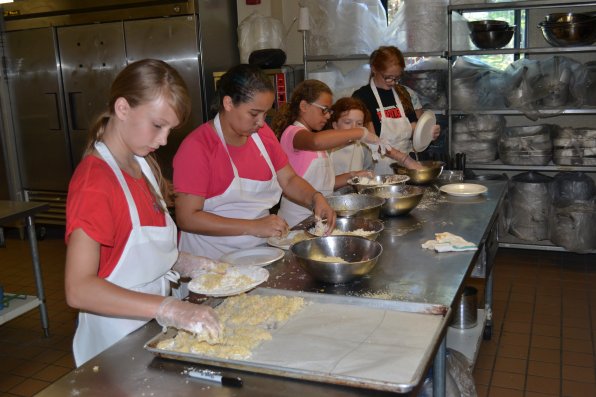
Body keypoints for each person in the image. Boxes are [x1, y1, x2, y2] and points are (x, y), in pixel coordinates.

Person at [65, 59, 222, 367]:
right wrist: (170, 308)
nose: (163, 140)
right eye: (157, 125)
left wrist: (189, 262)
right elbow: (78, 288)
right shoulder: (95, 183)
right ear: (122, 109)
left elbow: (136, 251)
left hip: (148, 331)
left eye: (170, 129)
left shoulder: (143, 165)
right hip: (114, 345)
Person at [173, 65, 336, 259]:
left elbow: (289, 179)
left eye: (265, 113)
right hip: (210, 263)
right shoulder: (197, 147)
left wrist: (315, 198)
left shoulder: (262, 135)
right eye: (254, 114)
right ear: (228, 103)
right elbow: (187, 217)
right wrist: (253, 226)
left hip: (258, 253)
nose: (261, 122)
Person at [271, 80, 380, 228]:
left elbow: (325, 185)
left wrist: (352, 175)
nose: (328, 116)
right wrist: (361, 132)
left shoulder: (314, 140)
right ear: (304, 106)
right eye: (324, 109)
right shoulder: (293, 134)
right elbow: (316, 142)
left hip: (317, 218)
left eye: (329, 111)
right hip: (296, 222)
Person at [352, 45, 440, 174]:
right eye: (388, 77)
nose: (392, 82)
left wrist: (428, 133)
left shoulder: (403, 93)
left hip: (407, 166)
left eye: (397, 78)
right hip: (379, 168)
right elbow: (372, 140)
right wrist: (404, 159)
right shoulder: (362, 97)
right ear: (374, 69)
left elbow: (414, 129)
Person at [325, 97, 375, 176]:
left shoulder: (364, 148)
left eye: (359, 123)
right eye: (347, 122)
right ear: (335, 125)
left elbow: (368, 177)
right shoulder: (325, 149)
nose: (354, 128)